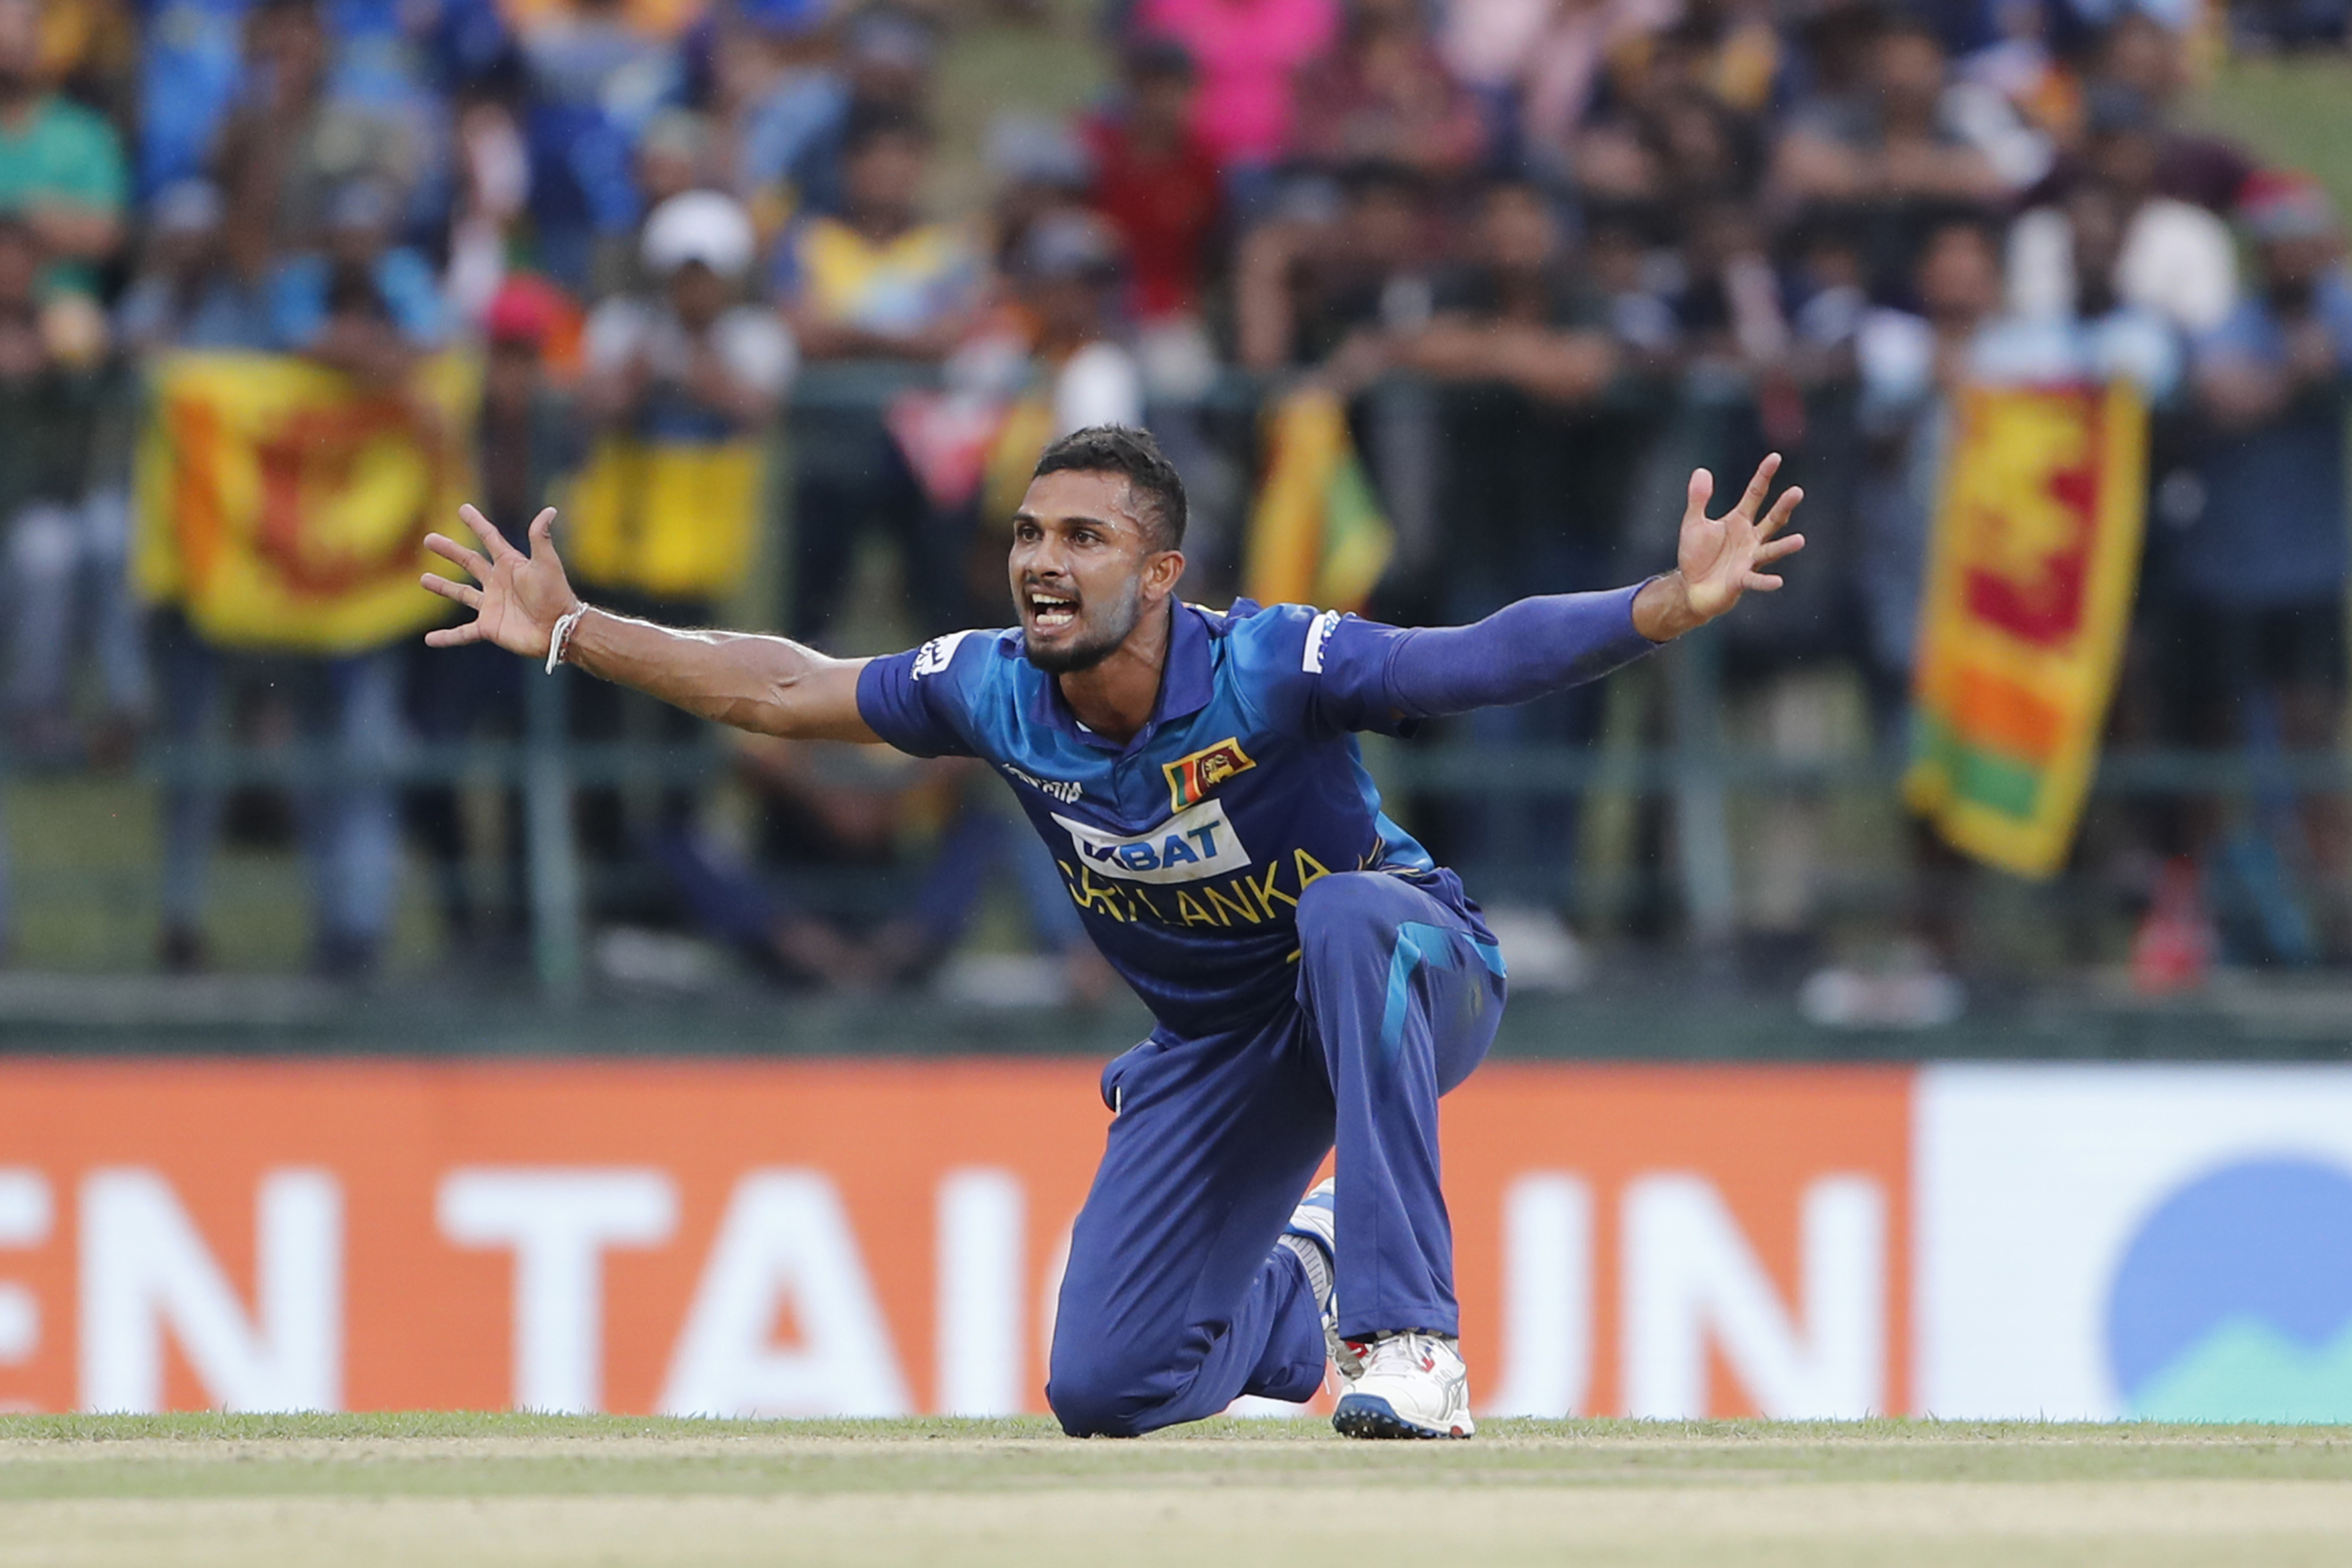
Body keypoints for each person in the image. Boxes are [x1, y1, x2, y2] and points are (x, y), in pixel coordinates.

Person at [416, 423, 1805, 1438]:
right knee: (1105, 1386)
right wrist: (574, 631)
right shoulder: (992, 690)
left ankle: (1412, 1346)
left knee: (1342, 914)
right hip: (1221, 1044)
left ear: (1164, 572)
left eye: (1084, 537)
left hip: (1406, 970)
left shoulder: (1269, 663)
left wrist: (1662, 607)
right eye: (1029, 533)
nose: (1042, 562)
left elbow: (1470, 656)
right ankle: (1298, 1286)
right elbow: (787, 688)